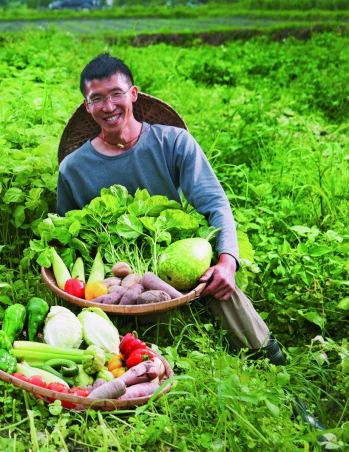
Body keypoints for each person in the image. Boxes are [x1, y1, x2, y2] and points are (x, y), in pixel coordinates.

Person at [57, 53, 328, 435]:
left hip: (173, 268)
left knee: (223, 289)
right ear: (87, 106)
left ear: (133, 94)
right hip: (117, 288)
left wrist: (228, 261)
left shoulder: (173, 142)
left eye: (116, 94)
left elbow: (215, 203)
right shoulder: (73, 168)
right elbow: (71, 237)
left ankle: (280, 375)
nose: (108, 106)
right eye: (97, 98)